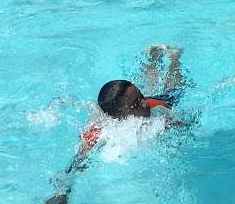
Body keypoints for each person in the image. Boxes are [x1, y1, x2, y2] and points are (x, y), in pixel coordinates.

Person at [44, 45, 185, 204]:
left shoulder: (151, 106)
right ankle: (167, 56)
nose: (145, 102)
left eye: (140, 95)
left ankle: (165, 57)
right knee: (162, 87)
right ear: (119, 115)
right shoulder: (100, 130)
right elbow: (76, 164)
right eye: (136, 102)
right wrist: (61, 193)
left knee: (172, 90)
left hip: (156, 102)